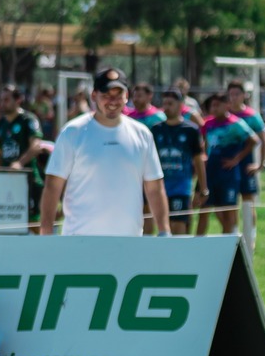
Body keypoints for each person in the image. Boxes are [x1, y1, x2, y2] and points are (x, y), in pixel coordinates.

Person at [40, 68, 169, 236]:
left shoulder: (142, 134)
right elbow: (53, 186)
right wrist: (46, 232)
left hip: (129, 241)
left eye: (118, 94)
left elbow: (154, 188)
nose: (112, 101)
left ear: (126, 96)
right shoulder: (72, 132)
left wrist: (164, 231)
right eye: (106, 95)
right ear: (94, 96)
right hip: (79, 240)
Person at [151, 88, 207, 235]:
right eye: (165, 103)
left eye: (170, 103)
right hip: (160, 188)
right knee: (164, 227)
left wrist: (203, 187)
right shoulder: (156, 130)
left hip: (181, 187)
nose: (167, 107)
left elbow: (199, 160)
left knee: (178, 226)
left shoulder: (190, 130)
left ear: (180, 105)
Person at [199, 92, 254, 237]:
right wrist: (204, 156)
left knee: (228, 211)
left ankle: (229, 242)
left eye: (217, 105)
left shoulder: (236, 124)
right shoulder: (207, 124)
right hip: (210, 173)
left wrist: (236, 159)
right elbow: (204, 143)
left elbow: (253, 140)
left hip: (228, 175)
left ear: (227, 105)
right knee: (204, 210)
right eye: (212, 106)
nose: (214, 108)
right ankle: (197, 242)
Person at [0, 85, 45, 224]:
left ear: (18, 100)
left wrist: (19, 163)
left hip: (28, 180)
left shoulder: (28, 120)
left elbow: (36, 145)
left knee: (33, 223)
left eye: (6, 99)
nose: (3, 103)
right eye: (1, 100)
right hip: (7, 182)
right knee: (6, 223)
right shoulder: (1, 123)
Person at [224, 81, 265, 244]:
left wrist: (261, 164)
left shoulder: (251, 115)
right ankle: (234, 238)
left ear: (244, 95)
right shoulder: (225, 115)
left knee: (248, 201)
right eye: (231, 94)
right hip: (227, 166)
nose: (233, 98)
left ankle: (251, 239)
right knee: (230, 203)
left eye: (237, 94)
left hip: (246, 165)